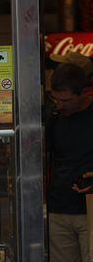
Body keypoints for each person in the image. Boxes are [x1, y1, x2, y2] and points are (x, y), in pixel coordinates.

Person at [47, 63, 93, 262]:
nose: (60, 105)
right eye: (55, 99)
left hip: (90, 210)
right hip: (58, 209)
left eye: (66, 100)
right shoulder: (54, 117)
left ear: (84, 93)